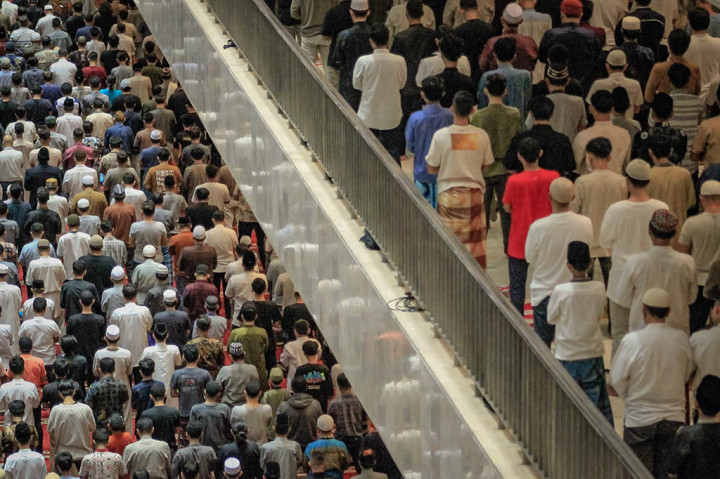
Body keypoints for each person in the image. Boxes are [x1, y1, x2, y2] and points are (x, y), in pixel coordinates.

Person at [609, 288, 693, 478]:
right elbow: (687, 372)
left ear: (643, 310)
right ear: (668, 312)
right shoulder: (681, 339)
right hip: (673, 417)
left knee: (637, 472)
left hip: (639, 418)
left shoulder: (632, 341)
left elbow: (617, 378)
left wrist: (630, 397)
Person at [599, 158, 668, 354]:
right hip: (652, 277)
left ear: (627, 181)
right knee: (649, 334)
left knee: (620, 334)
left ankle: (620, 372)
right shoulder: (661, 208)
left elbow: (604, 241)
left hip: (621, 277)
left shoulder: (616, 210)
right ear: (648, 181)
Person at [425, 91, 493, 266]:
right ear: (472, 110)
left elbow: (431, 168)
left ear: (452, 109)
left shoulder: (441, 136)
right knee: (475, 247)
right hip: (474, 196)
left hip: (448, 197)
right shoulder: (481, 135)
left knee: (449, 244)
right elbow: (487, 166)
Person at [547, 241, 612, 422]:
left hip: (567, 353)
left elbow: (551, 318)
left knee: (567, 404)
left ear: (568, 265)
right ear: (590, 263)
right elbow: (598, 314)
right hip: (592, 351)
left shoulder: (561, 291)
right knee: (596, 405)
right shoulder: (599, 287)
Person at [615, 209, 697, 335]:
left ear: (649, 231)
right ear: (675, 233)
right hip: (677, 330)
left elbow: (623, 299)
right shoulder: (688, 262)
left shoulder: (634, 262)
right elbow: (691, 298)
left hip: (641, 331)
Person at [502, 137, 559, 314]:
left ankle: (517, 321)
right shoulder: (553, 177)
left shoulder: (514, 181)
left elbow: (507, 207)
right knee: (548, 283)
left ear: (519, 156)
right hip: (546, 238)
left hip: (520, 238)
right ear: (540, 153)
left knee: (517, 285)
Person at [470, 73, 520, 252]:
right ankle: (509, 248)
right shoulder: (514, 114)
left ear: (485, 90)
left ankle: (479, 250)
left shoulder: (478, 116)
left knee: (480, 213)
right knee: (507, 213)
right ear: (505, 91)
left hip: (484, 169)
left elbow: (473, 144)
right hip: (506, 168)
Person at [572, 138, 627, 287]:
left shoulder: (582, 182)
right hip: (612, 243)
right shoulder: (622, 182)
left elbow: (573, 210)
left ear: (589, 157)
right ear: (609, 157)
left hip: (588, 241)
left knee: (585, 287)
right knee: (613, 287)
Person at [352, 24, 406, 163]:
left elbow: (356, 84)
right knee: (393, 156)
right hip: (392, 114)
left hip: (368, 114)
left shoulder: (363, 61)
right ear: (388, 39)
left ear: (371, 41)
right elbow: (401, 84)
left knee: (367, 155)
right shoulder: (399, 61)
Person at [677, 180, 720, 333]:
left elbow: (683, 254)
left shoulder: (692, 223)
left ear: (701, 198)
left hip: (699, 282)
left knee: (695, 327)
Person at [404, 76, 453, 208]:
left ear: (422, 93)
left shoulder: (415, 118)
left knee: (423, 211)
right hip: (446, 173)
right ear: (443, 93)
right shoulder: (450, 115)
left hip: (422, 171)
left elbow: (410, 146)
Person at [538, 0, 602, 91]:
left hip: (556, 85)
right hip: (584, 87)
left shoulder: (551, 35)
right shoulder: (592, 36)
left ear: (562, 14)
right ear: (581, 14)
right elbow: (597, 60)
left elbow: (542, 58)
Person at [646, 133, 696, 233]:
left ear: (650, 152)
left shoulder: (647, 175)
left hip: (653, 233)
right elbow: (690, 203)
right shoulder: (684, 174)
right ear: (671, 151)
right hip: (678, 231)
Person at [573, 90, 631, 175]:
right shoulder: (624, 134)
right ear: (612, 109)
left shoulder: (583, 136)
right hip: (616, 180)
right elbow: (627, 165)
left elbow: (577, 166)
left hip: (589, 181)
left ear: (591, 107)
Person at [477, 37, 532, 118]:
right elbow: (527, 101)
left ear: (495, 55)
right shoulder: (525, 75)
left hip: (492, 122)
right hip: (518, 122)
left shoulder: (486, 77)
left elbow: (481, 104)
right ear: (514, 56)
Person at [47, 379, 96, 470]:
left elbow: (50, 432)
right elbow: (93, 428)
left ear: (60, 393)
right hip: (84, 455)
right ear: (74, 392)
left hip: (63, 457)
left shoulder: (56, 410)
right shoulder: (85, 409)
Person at [109, 284, 153, 377]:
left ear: (123, 296)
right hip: (140, 352)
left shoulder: (117, 313)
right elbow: (149, 328)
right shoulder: (144, 311)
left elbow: (113, 331)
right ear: (136, 296)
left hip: (123, 352)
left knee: (125, 381)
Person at [646, 28, 701, 102]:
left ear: (669, 46)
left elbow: (648, 96)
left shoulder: (659, 68)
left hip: (664, 107)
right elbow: (697, 93)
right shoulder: (694, 68)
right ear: (687, 47)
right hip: (688, 105)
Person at [327, 373, 366, 471]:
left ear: (339, 386)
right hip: (357, 439)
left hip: (340, 441)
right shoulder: (360, 401)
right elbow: (365, 421)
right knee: (360, 467)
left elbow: (329, 422)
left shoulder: (334, 403)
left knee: (339, 468)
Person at [170, 344, 212, 430]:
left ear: (184, 358)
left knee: (184, 434)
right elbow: (211, 391)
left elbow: (172, 394)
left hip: (183, 412)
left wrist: (183, 392)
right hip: (201, 411)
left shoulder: (176, 374)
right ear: (198, 357)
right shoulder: (205, 373)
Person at [85, 357, 129, 428]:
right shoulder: (121, 384)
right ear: (114, 369)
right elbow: (125, 400)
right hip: (117, 421)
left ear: (100, 370)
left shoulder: (94, 386)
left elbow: (88, 402)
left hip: (100, 421)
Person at [19, 296, 60, 370]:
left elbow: (22, 340)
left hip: (32, 359)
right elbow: (57, 339)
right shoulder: (52, 324)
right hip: (49, 360)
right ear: (45, 309)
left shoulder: (25, 324)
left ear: (33, 309)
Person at [260, 413, 305, 479]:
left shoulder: (265, 448)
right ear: (289, 429)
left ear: (274, 428)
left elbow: (262, 466)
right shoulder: (295, 446)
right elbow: (301, 463)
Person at [190, 381, 232, 449]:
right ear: (218, 394)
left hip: (201, 448)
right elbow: (228, 428)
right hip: (221, 447)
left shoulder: (196, 409)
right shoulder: (224, 408)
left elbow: (192, 429)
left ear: (205, 392)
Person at [141, 383, 181, 452]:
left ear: (151, 396)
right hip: (170, 449)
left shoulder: (145, 414)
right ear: (165, 395)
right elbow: (177, 431)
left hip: (153, 450)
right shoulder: (174, 412)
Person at [217, 342, 259, 408]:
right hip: (247, 407)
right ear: (244, 354)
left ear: (231, 356)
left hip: (228, 408)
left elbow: (218, 388)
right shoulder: (252, 369)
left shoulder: (225, 370)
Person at [231, 380, 273, 445]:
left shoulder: (237, 410)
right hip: (262, 446)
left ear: (245, 393)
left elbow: (233, 426)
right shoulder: (267, 409)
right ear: (260, 393)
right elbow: (268, 423)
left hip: (244, 446)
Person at [132, 358, 163, 428]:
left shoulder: (135, 388)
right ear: (154, 370)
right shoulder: (160, 385)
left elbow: (134, 406)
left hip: (141, 418)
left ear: (140, 372)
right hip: (157, 417)